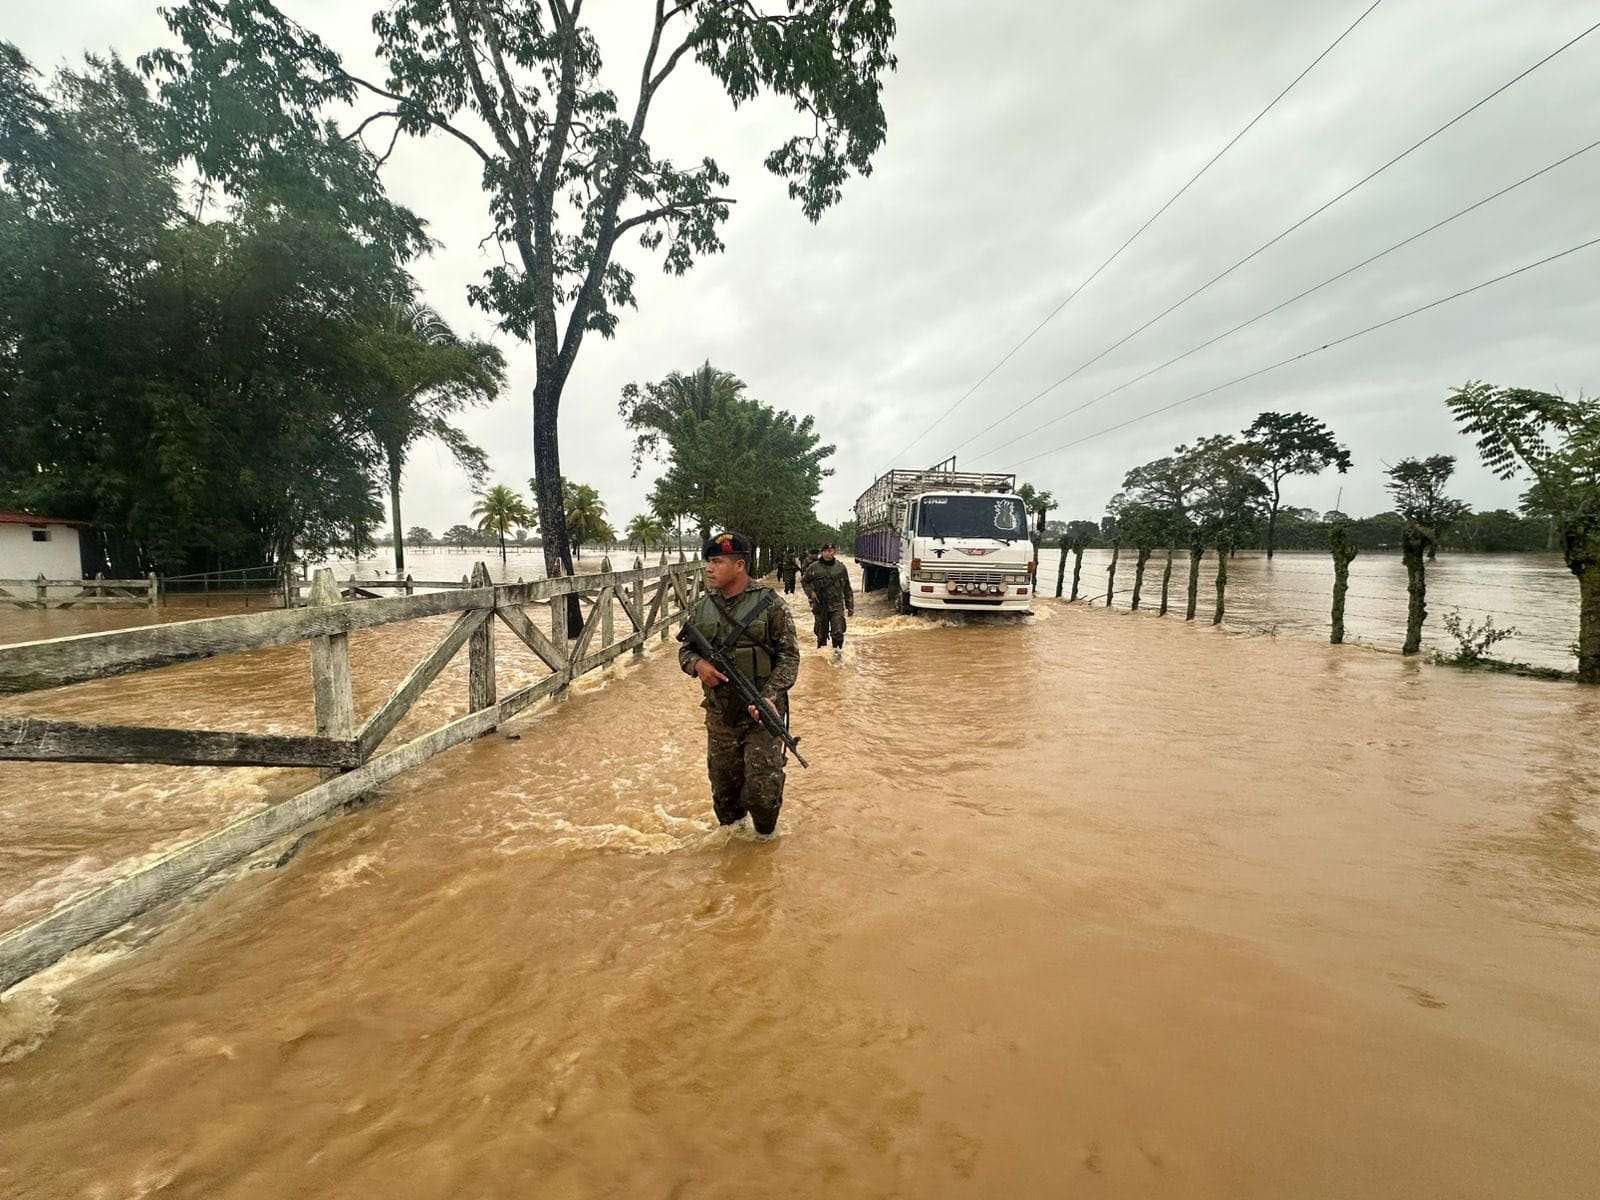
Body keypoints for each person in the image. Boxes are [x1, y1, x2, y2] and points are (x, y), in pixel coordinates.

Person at [678, 531, 802, 835]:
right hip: (720, 716)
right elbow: (685, 649)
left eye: (717, 562)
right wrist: (697, 665)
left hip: (763, 714)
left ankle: (763, 855)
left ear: (740, 566)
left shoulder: (771, 605)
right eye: (709, 561)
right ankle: (732, 857)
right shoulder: (702, 607)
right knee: (725, 796)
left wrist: (770, 695)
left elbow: (790, 657)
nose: (709, 568)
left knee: (763, 794)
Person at [801, 542, 854, 650]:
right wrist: (811, 593)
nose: (827, 554)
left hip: (837, 605)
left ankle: (837, 655)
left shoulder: (841, 568)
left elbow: (847, 588)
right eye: (825, 551)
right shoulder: (813, 567)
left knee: (838, 633)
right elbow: (804, 581)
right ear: (822, 552)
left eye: (830, 551)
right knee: (821, 635)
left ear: (834, 552)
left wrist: (850, 606)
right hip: (820, 605)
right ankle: (822, 659)